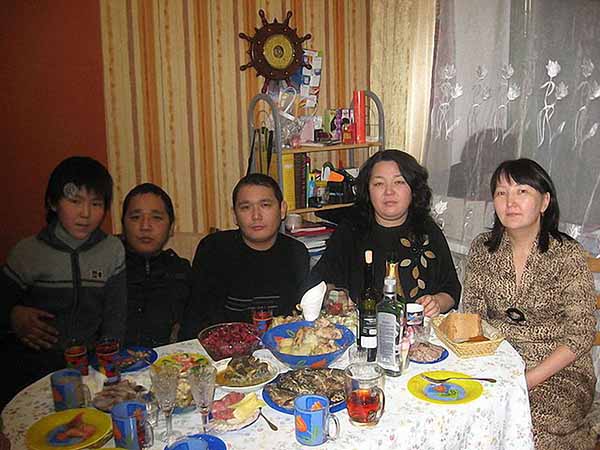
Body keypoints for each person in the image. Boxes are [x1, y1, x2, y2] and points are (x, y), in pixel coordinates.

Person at [462, 158, 596, 449]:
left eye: (522, 191)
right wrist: (485, 372)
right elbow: (472, 318)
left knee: (526, 429)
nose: (510, 202)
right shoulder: (483, 249)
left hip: (560, 373)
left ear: (544, 201)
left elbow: (581, 333)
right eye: (501, 193)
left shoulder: (568, 255)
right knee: (465, 417)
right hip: (497, 363)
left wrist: (525, 381)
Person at [0, 156, 126, 408]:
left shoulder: (111, 250)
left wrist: (107, 371)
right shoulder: (28, 252)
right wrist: (13, 315)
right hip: (35, 369)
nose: (85, 213)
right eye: (75, 201)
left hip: (92, 369)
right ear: (53, 202)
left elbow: (115, 316)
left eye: (96, 203)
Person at [311, 149, 461, 316]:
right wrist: (335, 297)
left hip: (418, 329)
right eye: (379, 184)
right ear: (368, 190)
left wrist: (437, 302)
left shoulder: (427, 230)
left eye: (399, 182)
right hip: (361, 328)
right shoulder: (351, 230)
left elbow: (452, 289)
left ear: (413, 189)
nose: (389, 191)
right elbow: (319, 281)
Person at [180, 173, 309, 339]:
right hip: (224, 348)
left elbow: (298, 320)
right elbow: (197, 320)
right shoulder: (214, 249)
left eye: (265, 205)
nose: (256, 216)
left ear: (282, 209)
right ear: (235, 215)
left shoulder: (296, 253)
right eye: (246, 207)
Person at [121, 183, 192, 348]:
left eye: (156, 218)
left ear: (171, 227)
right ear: (123, 225)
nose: (145, 226)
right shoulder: (108, 269)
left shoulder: (181, 271)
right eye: (135, 217)